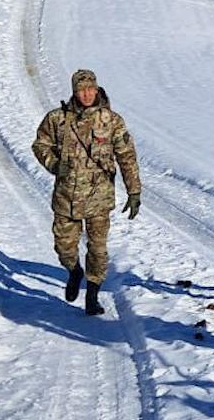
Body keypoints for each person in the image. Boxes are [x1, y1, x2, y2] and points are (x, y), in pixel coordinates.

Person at [32, 69, 141, 316]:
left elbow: (126, 156)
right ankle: (74, 271)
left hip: (99, 196)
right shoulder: (57, 119)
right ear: (74, 91)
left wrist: (134, 191)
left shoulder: (111, 120)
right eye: (82, 90)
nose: (87, 94)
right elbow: (40, 144)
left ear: (97, 89)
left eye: (91, 89)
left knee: (98, 249)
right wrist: (53, 163)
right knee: (64, 246)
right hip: (66, 196)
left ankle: (92, 294)